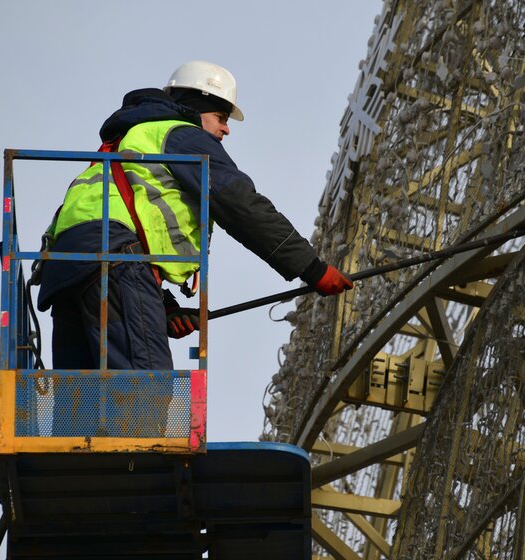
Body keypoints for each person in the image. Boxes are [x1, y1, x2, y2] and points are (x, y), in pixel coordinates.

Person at [35, 61, 352, 436]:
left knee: (78, 420)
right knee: (147, 412)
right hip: (115, 263)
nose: (225, 128)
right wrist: (310, 268)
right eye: (220, 116)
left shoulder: (121, 146)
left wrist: (163, 307)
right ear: (194, 106)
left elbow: (119, 224)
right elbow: (239, 204)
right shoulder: (181, 136)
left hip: (68, 274)